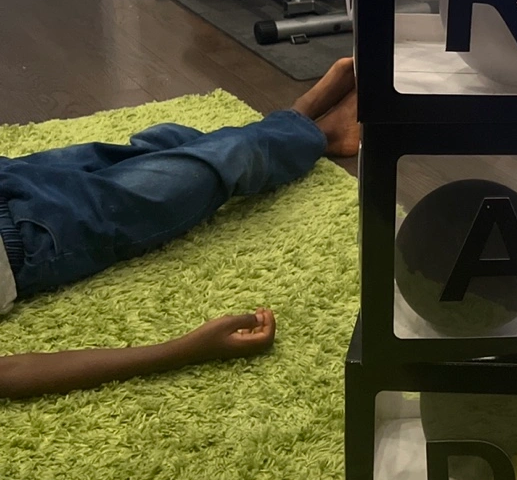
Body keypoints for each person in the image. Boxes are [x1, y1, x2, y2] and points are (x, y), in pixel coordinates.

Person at [0, 58, 360, 400]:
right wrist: (184, 350)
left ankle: (295, 125)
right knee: (199, 173)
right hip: (28, 236)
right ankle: (316, 131)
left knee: (163, 143)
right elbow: (10, 373)